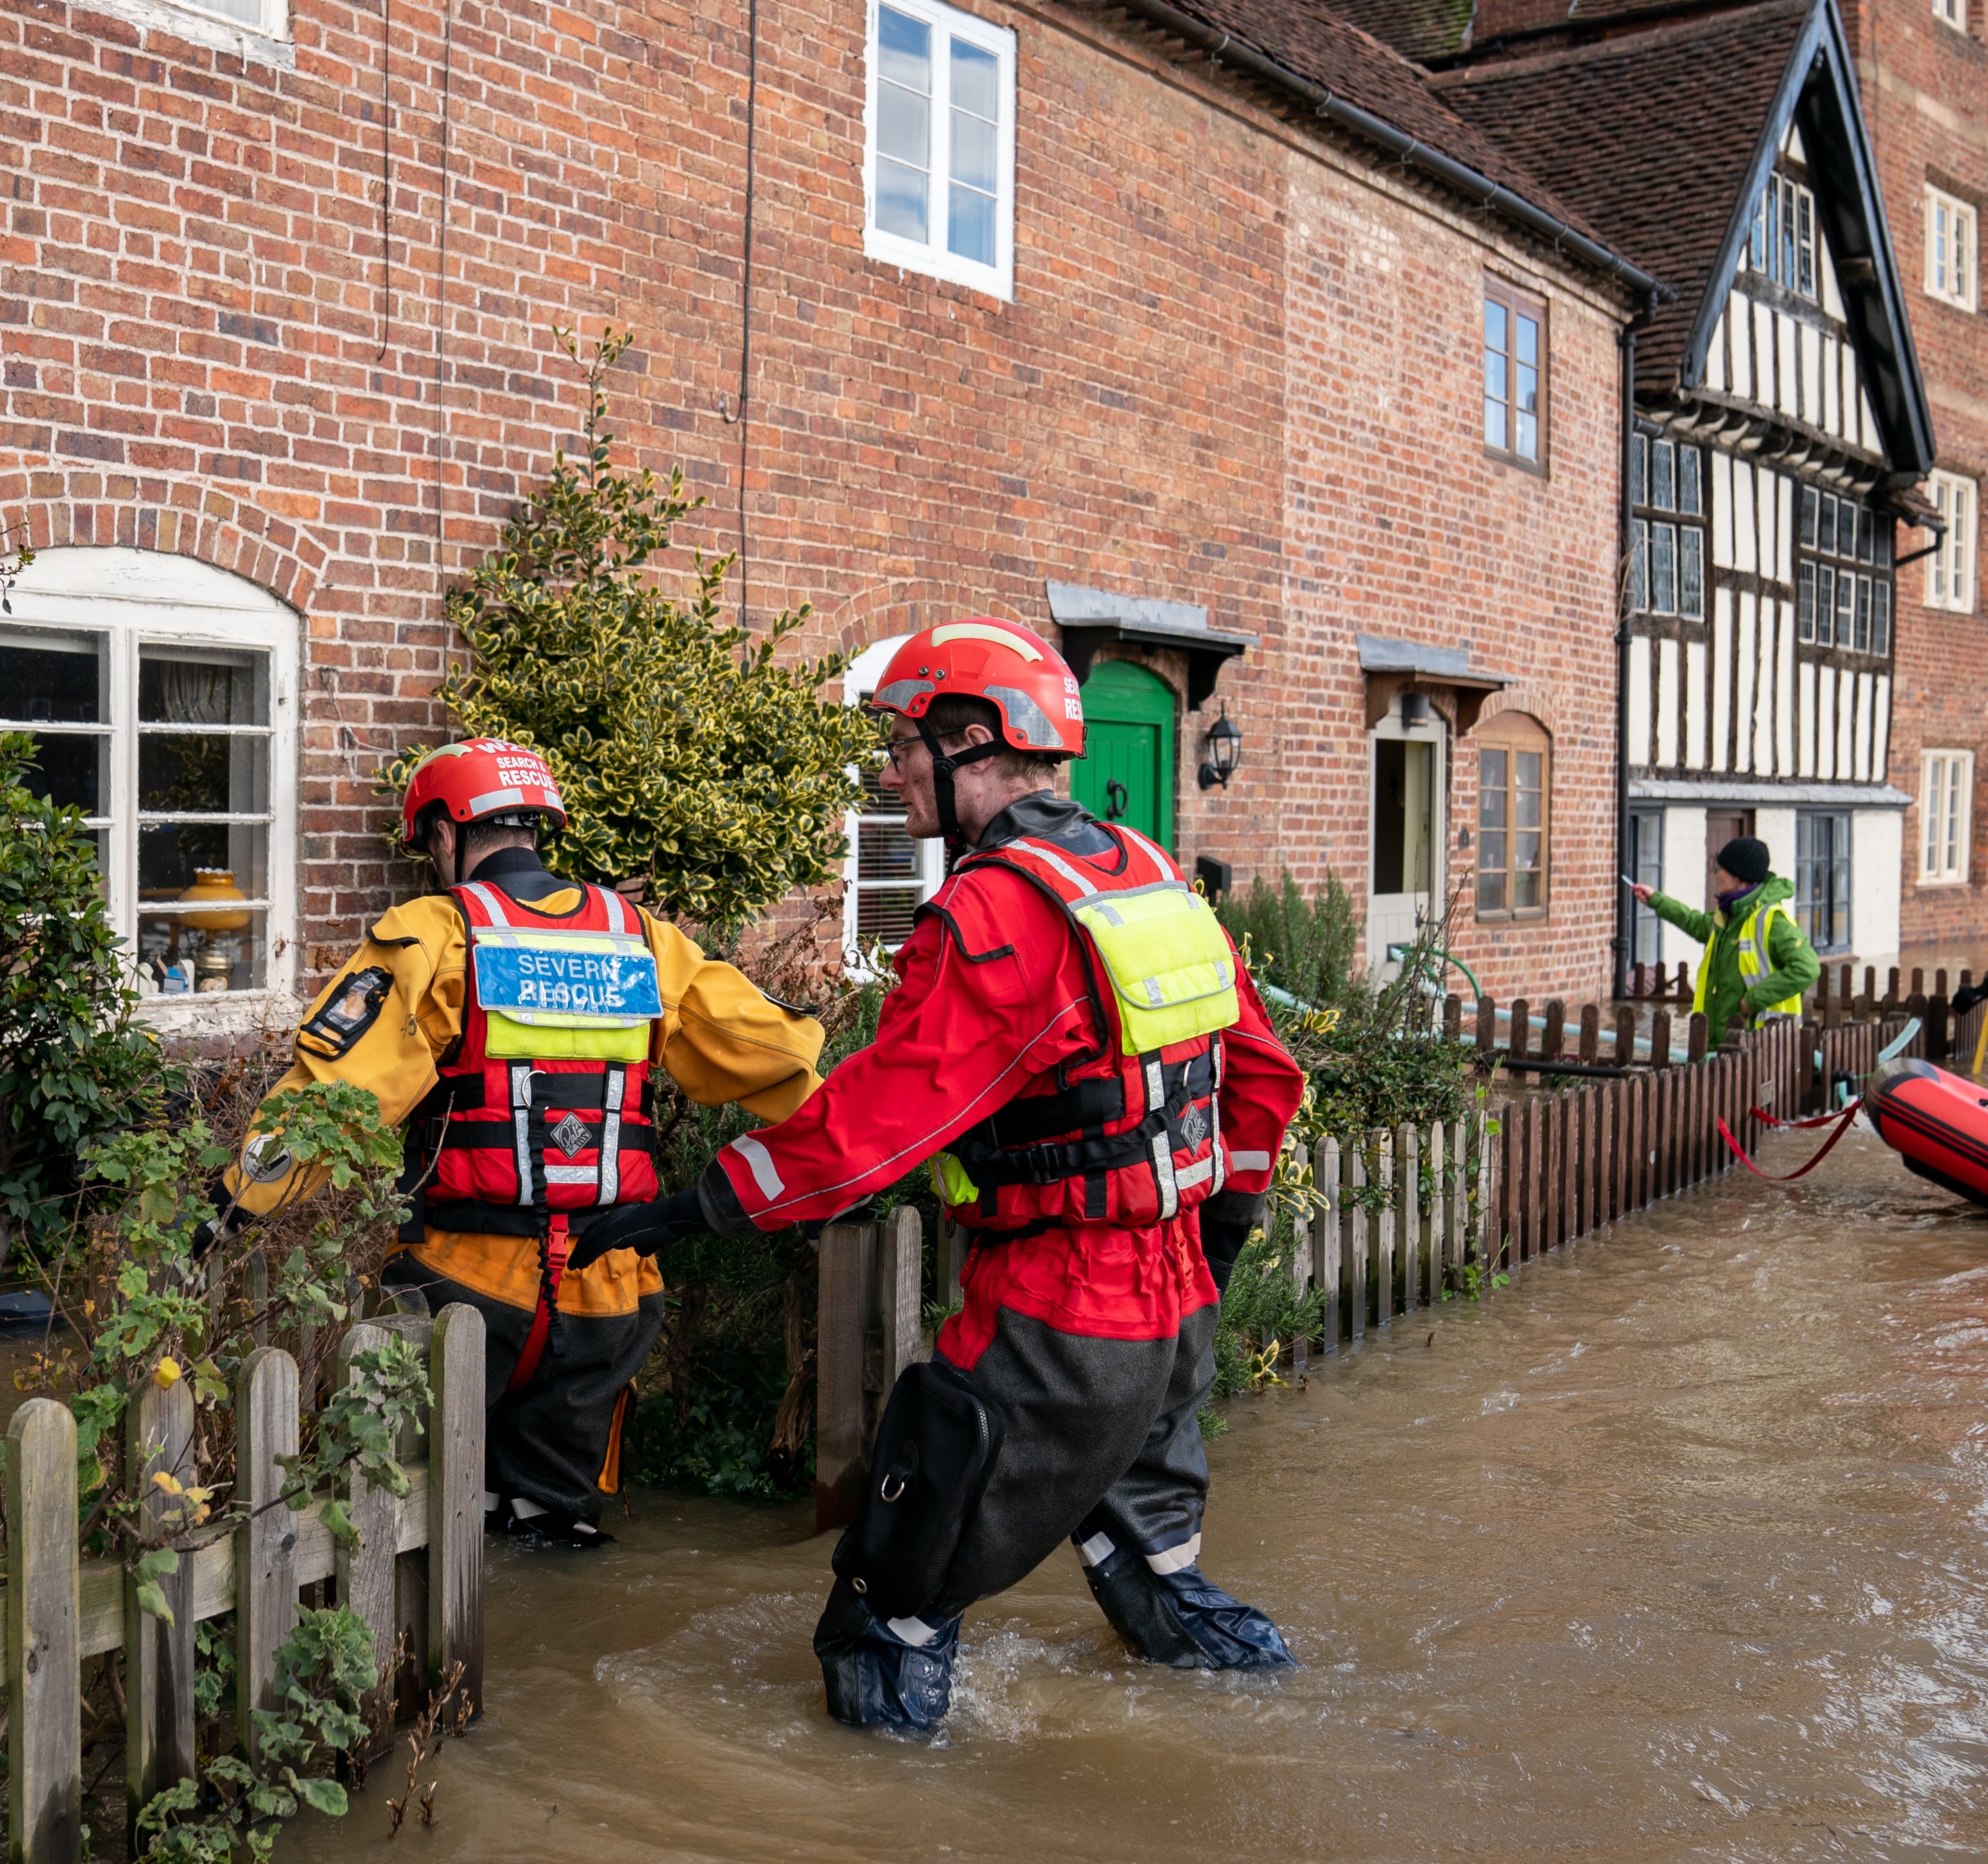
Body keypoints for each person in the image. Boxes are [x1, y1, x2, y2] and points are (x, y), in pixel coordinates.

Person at [566, 616, 1307, 1731]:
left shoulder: (995, 910)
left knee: (885, 1607)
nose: (891, 770)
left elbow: (875, 1120)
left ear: (972, 743)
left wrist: (693, 1204)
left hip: (1057, 1312)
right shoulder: (1151, 874)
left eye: (907, 745)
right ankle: (1277, 1724)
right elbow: (1262, 1074)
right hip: (1175, 1307)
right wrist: (1222, 1237)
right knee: (1158, 1580)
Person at [227, 738, 826, 1548]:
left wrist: (237, 1198)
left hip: (465, 1284)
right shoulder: (642, 939)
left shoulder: (433, 933)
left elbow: (335, 1095)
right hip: (610, 1290)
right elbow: (778, 1055)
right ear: (537, 826)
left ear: (446, 832)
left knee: (436, 1519)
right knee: (552, 1519)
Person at [1623, 835, 1819, 1047]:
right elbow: (1695, 922)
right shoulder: (1728, 915)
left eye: (1722, 869)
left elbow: (1807, 968)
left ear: (1739, 876)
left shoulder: (1771, 920)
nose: (1717, 874)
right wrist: (1655, 900)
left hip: (1757, 1042)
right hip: (1722, 1037)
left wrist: (1756, 999)